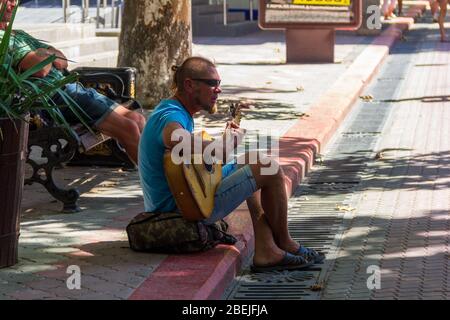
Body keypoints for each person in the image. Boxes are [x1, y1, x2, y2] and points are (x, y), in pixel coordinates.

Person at [138, 56, 325, 272]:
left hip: (189, 197)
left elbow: (190, 158)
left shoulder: (175, 109)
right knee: (268, 169)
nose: (218, 90)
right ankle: (285, 242)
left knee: (253, 160)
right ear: (189, 85)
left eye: (219, 83)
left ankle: (266, 250)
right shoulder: (170, 115)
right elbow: (174, 137)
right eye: (212, 83)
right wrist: (224, 146)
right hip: (179, 211)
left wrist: (222, 143)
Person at [0, 0, 145, 164]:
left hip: (71, 90)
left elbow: (62, 60)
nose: (13, 4)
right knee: (129, 129)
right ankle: (158, 186)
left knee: (138, 120)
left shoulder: (18, 34)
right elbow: (41, 68)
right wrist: (45, 53)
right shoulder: (2, 38)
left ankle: (165, 177)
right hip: (54, 98)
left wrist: (43, 54)